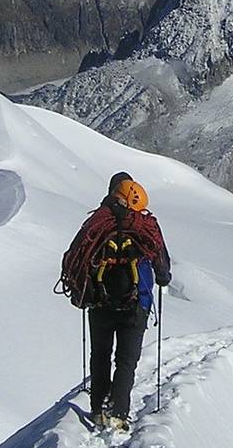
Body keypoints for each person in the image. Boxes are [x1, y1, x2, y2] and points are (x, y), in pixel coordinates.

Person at [63, 171, 171, 430]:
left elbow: (74, 258)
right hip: (137, 303)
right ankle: (118, 413)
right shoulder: (145, 226)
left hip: (100, 303)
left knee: (100, 355)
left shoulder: (97, 225)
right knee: (126, 360)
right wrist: (161, 279)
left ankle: (98, 408)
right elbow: (163, 269)